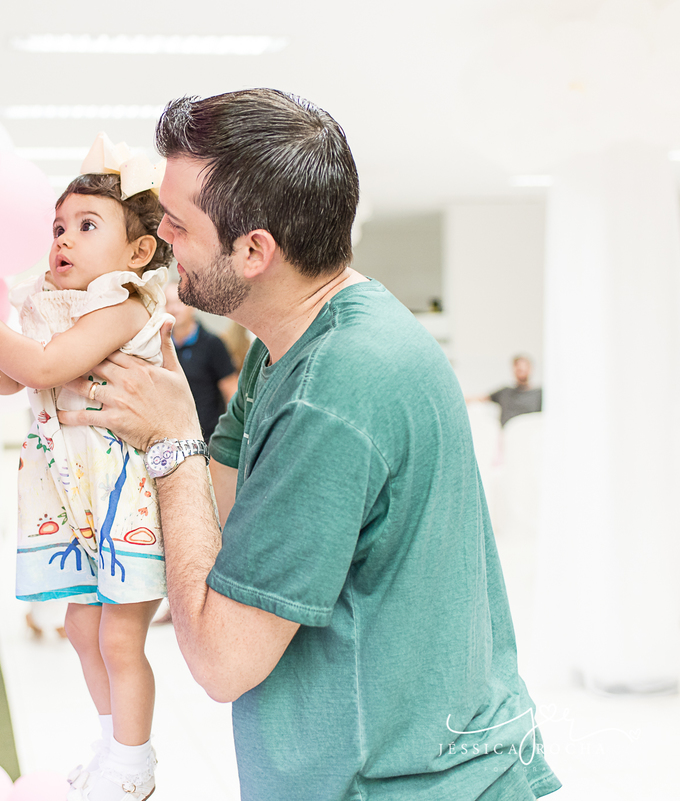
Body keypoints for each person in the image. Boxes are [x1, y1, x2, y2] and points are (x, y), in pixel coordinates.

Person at [57, 90, 561, 800]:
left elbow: (222, 660)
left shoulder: (335, 387)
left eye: (178, 223)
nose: (160, 238)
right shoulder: (296, 341)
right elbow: (221, 509)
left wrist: (172, 439)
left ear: (255, 250)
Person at [0, 141, 172, 801]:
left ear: (136, 254)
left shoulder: (125, 305)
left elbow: (44, 367)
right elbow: (5, 376)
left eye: (86, 226)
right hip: (74, 497)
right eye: (58, 227)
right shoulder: (49, 305)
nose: (63, 239)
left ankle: (135, 760)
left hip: (122, 498)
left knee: (120, 634)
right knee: (82, 626)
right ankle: (111, 744)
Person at [164, 280, 238, 442]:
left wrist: (229, 437)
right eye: (168, 304)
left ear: (192, 305)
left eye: (178, 303)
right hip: (170, 439)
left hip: (207, 440)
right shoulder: (158, 347)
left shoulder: (213, 344)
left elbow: (231, 392)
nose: (173, 309)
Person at [486, 354, 543, 426]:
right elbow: (482, 398)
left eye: (524, 367)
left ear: (530, 369)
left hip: (531, 433)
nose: (521, 370)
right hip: (507, 434)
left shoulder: (540, 394)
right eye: (518, 368)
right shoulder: (504, 392)